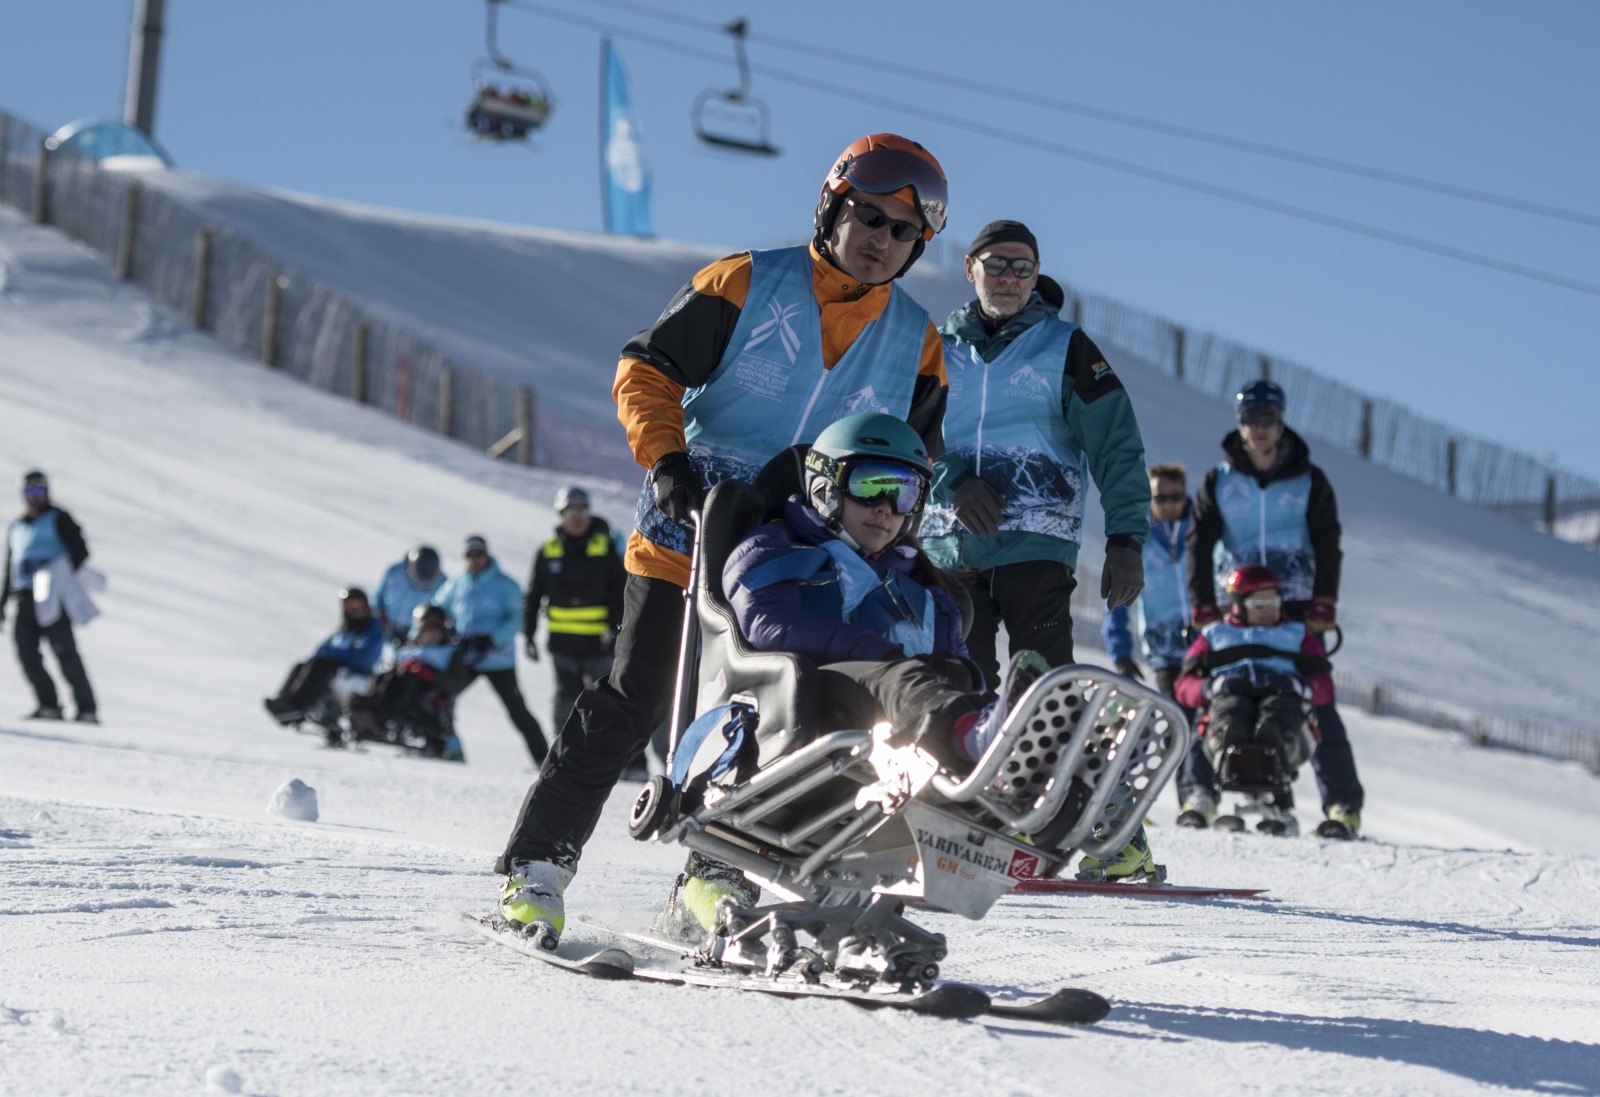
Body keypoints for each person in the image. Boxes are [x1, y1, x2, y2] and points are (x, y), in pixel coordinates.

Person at [494, 132, 955, 941]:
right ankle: (537, 870)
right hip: (687, 539)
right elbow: (647, 367)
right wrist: (667, 458)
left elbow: (914, 457)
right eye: (869, 218)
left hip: (801, 569)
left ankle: (708, 877)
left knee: (757, 722)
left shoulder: (916, 339)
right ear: (832, 207)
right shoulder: (748, 282)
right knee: (634, 702)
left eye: (902, 231)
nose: (881, 239)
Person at [673, 412, 1048, 933]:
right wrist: (878, 653)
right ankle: (981, 745)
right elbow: (761, 621)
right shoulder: (777, 546)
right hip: (791, 721)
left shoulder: (923, 587)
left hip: (885, 751)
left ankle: (1023, 772)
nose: (887, 509)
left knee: (944, 676)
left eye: (906, 492)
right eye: (872, 486)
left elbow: (957, 662)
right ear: (826, 487)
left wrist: (953, 677)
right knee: (899, 677)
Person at [920, 219, 1154, 879]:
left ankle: (1112, 838)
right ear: (969, 268)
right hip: (948, 546)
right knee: (952, 686)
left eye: (1023, 268)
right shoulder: (935, 349)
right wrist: (952, 481)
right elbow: (906, 431)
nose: (1009, 279)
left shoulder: (1067, 348)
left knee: (1050, 694)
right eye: (997, 265)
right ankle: (958, 822)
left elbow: (1117, 444)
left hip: (1036, 547)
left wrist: (1127, 538)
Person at [1185, 379, 1363, 836]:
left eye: (1268, 420)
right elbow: (1198, 543)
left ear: (1281, 422)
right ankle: (1199, 795)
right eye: (1250, 420)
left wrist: (1324, 601)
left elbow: (1328, 543)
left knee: (1314, 701)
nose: (1259, 429)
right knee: (1219, 696)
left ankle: (1342, 806)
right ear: (1239, 423)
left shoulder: (1309, 480)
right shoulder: (1219, 481)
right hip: (1236, 608)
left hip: (1297, 607)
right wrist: (1202, 602)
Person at [1173, 565, 1335, 831]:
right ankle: (1201, 796)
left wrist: (1300, 686)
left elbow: (1324, 685)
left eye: (1274, 600)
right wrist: (1211, 687)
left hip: (1281, 697)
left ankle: (1279, 800)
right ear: (1237, 604)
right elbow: (1184, 685)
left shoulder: (1297, 634)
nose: (1269, 608)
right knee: (1228, 718)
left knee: (1275, 720)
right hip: (1231, 696)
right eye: (1260, 602)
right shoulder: (1215, 634)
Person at [435, 535, 547, 765]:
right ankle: (444, 747)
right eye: (470, 555)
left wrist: (492, 639)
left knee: (517, 711)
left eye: (479, 554)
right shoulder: (458, 583)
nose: (475, 560)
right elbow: (438, 606)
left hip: (498, 660)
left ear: (487, 555)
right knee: (441, 697)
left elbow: (517, 618)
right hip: (467, 657)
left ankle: (545, 761)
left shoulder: (504, 584)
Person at [524, 487, 626, 734]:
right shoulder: (548, 551)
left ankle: (624, 763)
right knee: (565, 700)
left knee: (607, 700)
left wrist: (617, 632)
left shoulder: (606, 548)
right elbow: (533, 596)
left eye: (582, 509)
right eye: (572, 510)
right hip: (562, 645)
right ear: (561, 514)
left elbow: (621, 594)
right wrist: (528, 635)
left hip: (599, 645)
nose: (578, 515)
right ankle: (562, 759)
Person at [3, 470, 98, 722]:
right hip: (23, 596)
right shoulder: (17, 526)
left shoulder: (59, 518)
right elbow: (10, 566)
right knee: (26, 653)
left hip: (50, 593)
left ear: (47, 492)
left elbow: (80, 550)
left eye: (39, 491)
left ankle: (86, 709)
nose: (35, 497)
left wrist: (59, 575)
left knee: (64, 650)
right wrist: (2, 603)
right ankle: (48, 705)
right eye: (30, 492)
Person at [348, 603, 468, 761]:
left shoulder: (450, 654)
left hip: (429, 703)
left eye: (436, 626)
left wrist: (429, 674)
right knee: (388, 676)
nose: (432, 632)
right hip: (398, 692)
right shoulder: (406, 651)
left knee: (410, 678)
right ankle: (371, 713)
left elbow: (457, 684)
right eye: (428, 626)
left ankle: (393, 721)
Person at [264, 587, 385, 727]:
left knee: (321, 666)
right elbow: (321, 651)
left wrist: (335, 654)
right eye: (350, 606)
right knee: (302, 666)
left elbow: (364, 657)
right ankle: (285, 701)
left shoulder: (373, 629)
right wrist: (331, 654)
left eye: (358, 605)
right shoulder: (345, 630)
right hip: (337, 669)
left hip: (357, 676)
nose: (355, 610)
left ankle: (297, 706)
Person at [374, 545, 445, 645]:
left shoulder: (443, 584)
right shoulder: (395, 572)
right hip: (388, 629)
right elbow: (379, 598)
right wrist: (378, 617)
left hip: (417, 637)